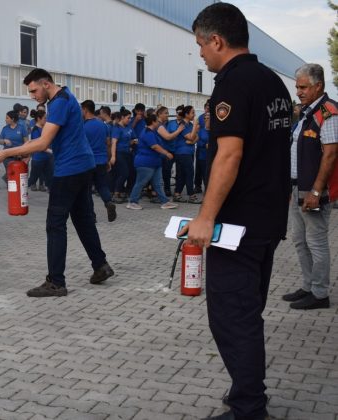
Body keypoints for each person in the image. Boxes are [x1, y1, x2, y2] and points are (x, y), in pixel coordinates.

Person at [181, 4, 292, 419]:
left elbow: (229, 153)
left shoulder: (232, 83)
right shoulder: (273, 83)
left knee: (233, 317)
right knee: (248, 310)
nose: (201, 55)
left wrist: (205, 216)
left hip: (237, 224)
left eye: (200, 45)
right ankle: (244, 391)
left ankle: (248, 408)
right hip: (268, 219)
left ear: (217, 40)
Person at [0, 68, 114, 297]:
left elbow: (43, 141)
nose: (32, 96)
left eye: (34, 90)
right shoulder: (65, 97)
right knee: (83, 220)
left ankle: (56, 282)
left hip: (69, 170)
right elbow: (54, 142)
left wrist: (6, 153)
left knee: (55, 224)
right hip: (83, 166)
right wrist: (24, 152)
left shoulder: (58, 103)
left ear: (46, 84)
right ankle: (100, 266)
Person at [282, 63, 337, 310]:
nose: (299, 92)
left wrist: (316, 191)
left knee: (316, 242)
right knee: (299, 240)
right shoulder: (306, 112)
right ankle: (308, 286)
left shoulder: (328, 112)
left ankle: (320, 293)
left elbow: (330, 155)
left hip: (314, 191)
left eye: (303, 87)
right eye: (297, 87)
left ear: (319, 86)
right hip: (298, 188)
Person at [125, 111, 178, 210]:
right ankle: (132, 202)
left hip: (154, 163)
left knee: (158, 183)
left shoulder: (152, 132)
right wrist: (166, 153)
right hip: (146, 163)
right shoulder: (147, 133)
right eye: (157, 121)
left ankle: (165, 202)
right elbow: (155, 146)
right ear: (153, 122)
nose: (159, 123)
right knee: (140, 182)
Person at [81, 100, 116, 222]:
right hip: (101, 161)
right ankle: (108, 202)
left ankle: (91, 215)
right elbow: (108, 143)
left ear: (85, 110)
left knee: (87, 189)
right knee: (102, 185)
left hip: (87, 162)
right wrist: (107, 160)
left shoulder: (83, 127)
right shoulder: (103, 125)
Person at [172, 105, 202, 203]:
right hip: (182, 153)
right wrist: (194, 128)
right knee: (189, 173)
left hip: (188, 152)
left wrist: (192, 141)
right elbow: (191, 137)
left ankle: (177, 194)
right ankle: (192, 196)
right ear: (186, 114)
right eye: (192, 112)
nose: (194, 114)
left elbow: (196, 137)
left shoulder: (189, 124)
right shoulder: (183, 124)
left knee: (182, 175)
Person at [156, 106, 185, 197]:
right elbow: (168, 137)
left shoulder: (186, 124)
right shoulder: (168, 123)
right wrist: (179, 130)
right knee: (166, 171)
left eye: (181, 113)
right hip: (168, 150)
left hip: (180, 151)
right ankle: (166, 189)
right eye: (177, 112)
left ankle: (177, 190)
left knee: (180, 171)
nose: (168, 115)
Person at [110, 109, 137, 203]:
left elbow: (133, 138)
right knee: (123, 173)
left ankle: (124, 192)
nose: (129, 120)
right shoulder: (117, 128)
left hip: (128, 153)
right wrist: (113, 156)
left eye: (130, 118)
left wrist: (133, 142)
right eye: (128, 118)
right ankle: (116, 193)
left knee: (132, 172)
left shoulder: (129, 128)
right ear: (122, 117)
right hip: (119, 153)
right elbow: (114, 143)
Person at [27, 110, 53, 192]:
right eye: (45, 118)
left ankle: (52, 191)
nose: (46, 120)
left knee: (50, 178)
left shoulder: (45, 128)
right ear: (39, 118)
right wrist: (50, 151)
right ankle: (20, 190)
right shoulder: (35, 130)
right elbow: (39, 145)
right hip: (38, 159)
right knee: (32, 179)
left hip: (48, 158)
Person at [0, 110, 28, 182]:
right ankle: (10, 188)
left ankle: (17, 189)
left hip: (19, 156)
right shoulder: (5, 129)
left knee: (19, 175)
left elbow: (26, 142)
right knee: (11, 174)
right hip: (8, 156)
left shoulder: (21, 128)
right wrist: (4, 141)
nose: (5, 119)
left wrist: (27, 156)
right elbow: (0, 141)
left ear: (13, 119)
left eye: (7, 118)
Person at [194, 108, 210, 194]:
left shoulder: (215, 130)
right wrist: (205, 144)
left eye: (208, 118)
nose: (206, 120)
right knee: (203, 173)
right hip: (202, 155)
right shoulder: (201, 131)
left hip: (212, 156)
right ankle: (202, 188)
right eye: (205, 118)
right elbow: (198, 142)